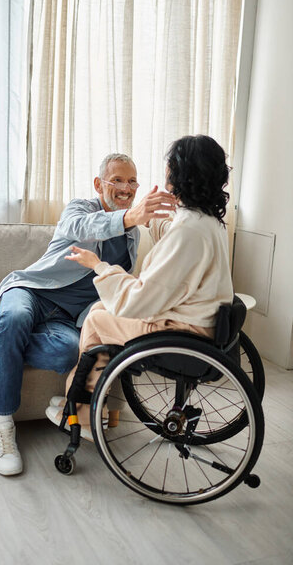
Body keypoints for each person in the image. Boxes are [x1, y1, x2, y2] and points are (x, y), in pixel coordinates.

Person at [0, 153, 176, 476]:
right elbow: (81, 228)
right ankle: (3, 425)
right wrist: (130, 218)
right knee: (16, 322)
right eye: (117, 180)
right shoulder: (81, 210)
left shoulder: (133, 234)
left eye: (132, 181)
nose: (126, 187)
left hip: (68, 319)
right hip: (31, 292)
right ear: (98, 184)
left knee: (67, 353)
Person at [46, 135, 234, 436]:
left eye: (169, 168)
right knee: (100, 311)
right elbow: (173, 238)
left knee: (96, 319)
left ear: (179, 174)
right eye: (119, 181)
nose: (166, 173)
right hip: (204, 324)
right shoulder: (205, 221)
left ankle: (80, 414)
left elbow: (139, 300)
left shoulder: (188, 231)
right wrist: (148, 217)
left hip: (180, 333)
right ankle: (87, 398)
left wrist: (98, 266)